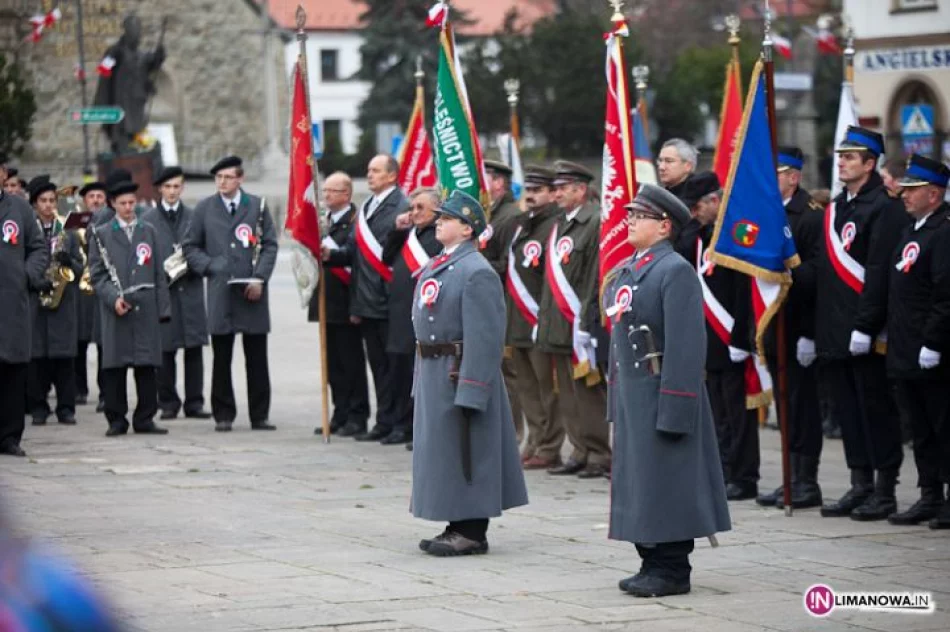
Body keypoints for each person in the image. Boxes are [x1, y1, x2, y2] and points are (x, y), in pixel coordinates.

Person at [605, 183, 731, 598]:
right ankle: (649, 560)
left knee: (668, 481)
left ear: (664, 226)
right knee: (641, 482)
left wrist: (677, 406)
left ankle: (672, 568)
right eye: (630, 214)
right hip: (633, 393)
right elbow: (619, 339)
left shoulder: (674, 270)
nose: (630, 221)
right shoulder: (630, 269)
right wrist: (614, 398)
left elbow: (686, 345)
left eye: (639, 216)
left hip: (661, 390)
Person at [410, 190, 528, 557]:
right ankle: (455, 521)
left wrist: (474, 387)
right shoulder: (440, 264)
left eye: (447, 218)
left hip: (459, 370)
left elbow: (486, 336)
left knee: (468, 447)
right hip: (435, 368)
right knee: (445, 450)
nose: (439, 221)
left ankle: (472, 530)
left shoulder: (476, 271)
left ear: (466, 228)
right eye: (440, 216)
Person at [816, 126, 911, 521]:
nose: (842, 161)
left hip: (867, 334)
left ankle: (885, 490)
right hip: (837, 330)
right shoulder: (841, 206)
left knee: (876, 412)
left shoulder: (883, 208)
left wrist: (866, 325)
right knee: (849, 412)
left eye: (851, 156)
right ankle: (860, 484)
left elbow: (878, 273)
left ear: (870, 164)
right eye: (840, 155)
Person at [876, 156, 950, 529]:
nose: (903, 196)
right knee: (919, 429)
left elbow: (945, 294)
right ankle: (930, 494)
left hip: (933, 351)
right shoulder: (913, 230)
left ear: (933, 194)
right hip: (906, 349)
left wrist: (934, 342)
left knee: (943, 425)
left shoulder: (943, 231)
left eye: (912, 190)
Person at [184, 156, 279, 432]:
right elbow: (191, 247)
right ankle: (223, 414)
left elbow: (270, 245)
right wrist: (211, 267)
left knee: (257, 357)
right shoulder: (204, 208)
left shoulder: (257, 206)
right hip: (221, 292)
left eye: (228, 177)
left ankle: (259, 415)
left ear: (240, 179)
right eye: (219, 178)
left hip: (252, 293)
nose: (222, 182)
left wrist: (260, 278)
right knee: (222, 356)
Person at [680, 172, 759, 501]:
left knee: (739, 413)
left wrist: (741, 338)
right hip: (708, 340)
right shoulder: (698, 237)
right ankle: (724, 469)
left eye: (698, 206)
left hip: (733, 338)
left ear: (716, 200)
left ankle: (744, 475)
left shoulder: (735, 234)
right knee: (718, 413)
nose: (694, 213)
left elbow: (745, 291)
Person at [323, 155, 409, 443]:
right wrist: (330, 255)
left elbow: (394, 254)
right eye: (369, 170)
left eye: (375, 171)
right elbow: (354, 252)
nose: (369, 175)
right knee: (379, 366)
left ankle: (401, 422)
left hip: (389, 299)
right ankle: (384, 420)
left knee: (396, 366)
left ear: (391, 176)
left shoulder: (401, 205)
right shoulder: (368, 207)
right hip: (368, 300)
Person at [757, 148, 826, 509]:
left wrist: (810, 334)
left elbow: (818, 277)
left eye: (778, 173)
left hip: (800, 328)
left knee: (802, 406)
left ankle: (806, 480)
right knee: (784, 406)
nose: (771, 180)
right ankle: (789, 476)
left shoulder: (810, 217)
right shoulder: (768, 215)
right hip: (775, 326)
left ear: (794, 177)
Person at [537, 161, 611, 479]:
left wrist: (586, 319)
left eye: (562, 188)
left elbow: (595, 275)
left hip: (580, 320)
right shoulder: (560, 224)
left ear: (580, 189)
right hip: (556, 321)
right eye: (554, 189)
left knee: (588, 392)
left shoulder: (594, 221)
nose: (556, 194)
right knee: (566, 390)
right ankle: (578, 449)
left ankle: (598, 453)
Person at [88, 180, 170, 437]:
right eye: (122, 203)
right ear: (112, 204)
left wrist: (162, 307)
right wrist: (113, 298)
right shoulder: (101, 234)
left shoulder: (149, 231)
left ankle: (145, 417)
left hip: (145, 307)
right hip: (116, 307)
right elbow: (97, 275)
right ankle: (116, 419)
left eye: (132, 203)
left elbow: (158, 273)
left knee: (146, 364)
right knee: (115, 365)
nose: (128, 208)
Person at [507, 165, 565, 469]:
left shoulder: (555, 225)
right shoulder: (522, 224)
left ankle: (550, 445)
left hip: (540, 318)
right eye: (528, 189)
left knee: (547, 388)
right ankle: (535, 439)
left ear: (552, 194)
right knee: (527, 388)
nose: (530, 195)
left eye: (537, 190)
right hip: (517, 318)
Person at [143, 167, 211, 420]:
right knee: (165, 350)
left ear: (182, 188)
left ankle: (195, 402)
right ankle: (168, 402)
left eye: (177, 187)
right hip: (165, 293)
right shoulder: (148, 219)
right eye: (168, 187)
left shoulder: (194, 217)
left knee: (193, 349)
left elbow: (204, 250)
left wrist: (196, 264)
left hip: (190, 289)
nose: (172, 192)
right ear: (160, 189)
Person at [308, 172, 369, 437]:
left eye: (332, 191)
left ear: (346, 194)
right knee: (332, 365)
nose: (326, 195)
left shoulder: (356, 223)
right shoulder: (323, 223)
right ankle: (339, 412)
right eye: (324, 191)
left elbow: (353, 259)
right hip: (326, 302)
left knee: (351, 363)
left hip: (347, 303)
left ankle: (357, 415)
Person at [380, 187, 442, 446]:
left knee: (415, 375)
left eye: (420, 208)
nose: (414, 212)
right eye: (412, 207)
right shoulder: (409, 235)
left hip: (424, 317)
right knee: (397, 372)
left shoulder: (437, 237)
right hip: (398, 313)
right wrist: (397, 229)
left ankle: (412, 427)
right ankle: (397, 422)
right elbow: (387, 257)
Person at [0, 156, 49, 457]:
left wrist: (26, 276)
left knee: (12, 371)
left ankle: (8, 436)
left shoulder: (18, 209)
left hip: (12, 303)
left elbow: (38, 247)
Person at [27, 178, 83, 427]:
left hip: (63, 303)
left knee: (64, 360)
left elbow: (83, 268)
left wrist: (69, 262)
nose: (49, 205)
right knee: (37, 360)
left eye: (52, 200)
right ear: (34, 203)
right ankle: (39, 407)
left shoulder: (67, 232)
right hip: (35, 302)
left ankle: (66, 408)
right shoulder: (29, 229)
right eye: (43, 201)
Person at [479, 159, 526, 444]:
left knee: (511, 372)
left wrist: (477, 265)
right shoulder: (490, 214)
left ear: (499, 182)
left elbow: (509, 263)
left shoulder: (510, 216)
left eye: (487, 178)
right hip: (489, 300)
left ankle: (515, 433)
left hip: (507, 300)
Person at [93, 14, 166, 153]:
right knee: (123, 127)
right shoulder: (117, 51)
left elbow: (152, 63)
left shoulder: (140, 55)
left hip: (137, 100)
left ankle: (136, 145)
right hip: (122, 99)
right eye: (134, 31)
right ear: (127, 32)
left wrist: (159, 55)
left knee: (137, 126)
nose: (138, 35)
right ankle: (122, 145)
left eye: (139, 31)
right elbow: (104, 70)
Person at [75, 181, 108, 406]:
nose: (95, 200)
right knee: (79, 341)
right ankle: (79, 389)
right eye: (91, 197)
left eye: (99, 196)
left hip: (101, 289)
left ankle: (106, 393)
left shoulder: (110, 220)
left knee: (105, 343)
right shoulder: (74, 221)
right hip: (79, 289)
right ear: (84, 201)